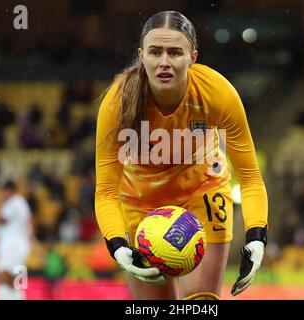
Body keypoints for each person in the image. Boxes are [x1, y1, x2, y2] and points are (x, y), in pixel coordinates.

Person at [95, 11, 268, 300]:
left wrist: (257, 237)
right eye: (155, 52)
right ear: (141, 55)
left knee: (201, 303)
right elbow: (106, 192)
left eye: (175, 52)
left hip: (202, 193)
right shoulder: (117, 102)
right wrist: (117, 245)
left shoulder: (218, 93)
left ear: (193, 57)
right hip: (140, 204)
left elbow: (249, 179)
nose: (164, 62)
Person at [0, 181, 33, 300]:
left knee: (6, 272)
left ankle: (8, 297)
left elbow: (1, 219)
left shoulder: (16, 202)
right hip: (12, 244)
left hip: (13, 245)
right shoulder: (16, 204)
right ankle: (13, 296)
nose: (3, 194)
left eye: (5, 191)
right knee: (8, 274)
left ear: (9, 190)